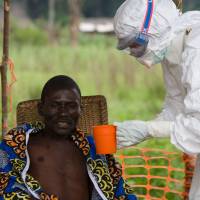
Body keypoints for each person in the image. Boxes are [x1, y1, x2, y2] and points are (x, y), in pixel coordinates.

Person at [113, 0, 200, 199]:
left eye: (135, 45)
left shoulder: (197, 48)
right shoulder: (174, 48)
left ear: (153, 30)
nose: (134, 54)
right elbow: (177, 106)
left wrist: (148, 129)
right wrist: (141, 129)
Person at [0, 75, 137, 200]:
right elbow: (5, 185)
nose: (63, 113)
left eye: (71, 106)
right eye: (55, 105)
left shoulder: (93, 148)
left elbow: (117, 189)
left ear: (80, 110)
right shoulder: (19, 144)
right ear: (41, 108)